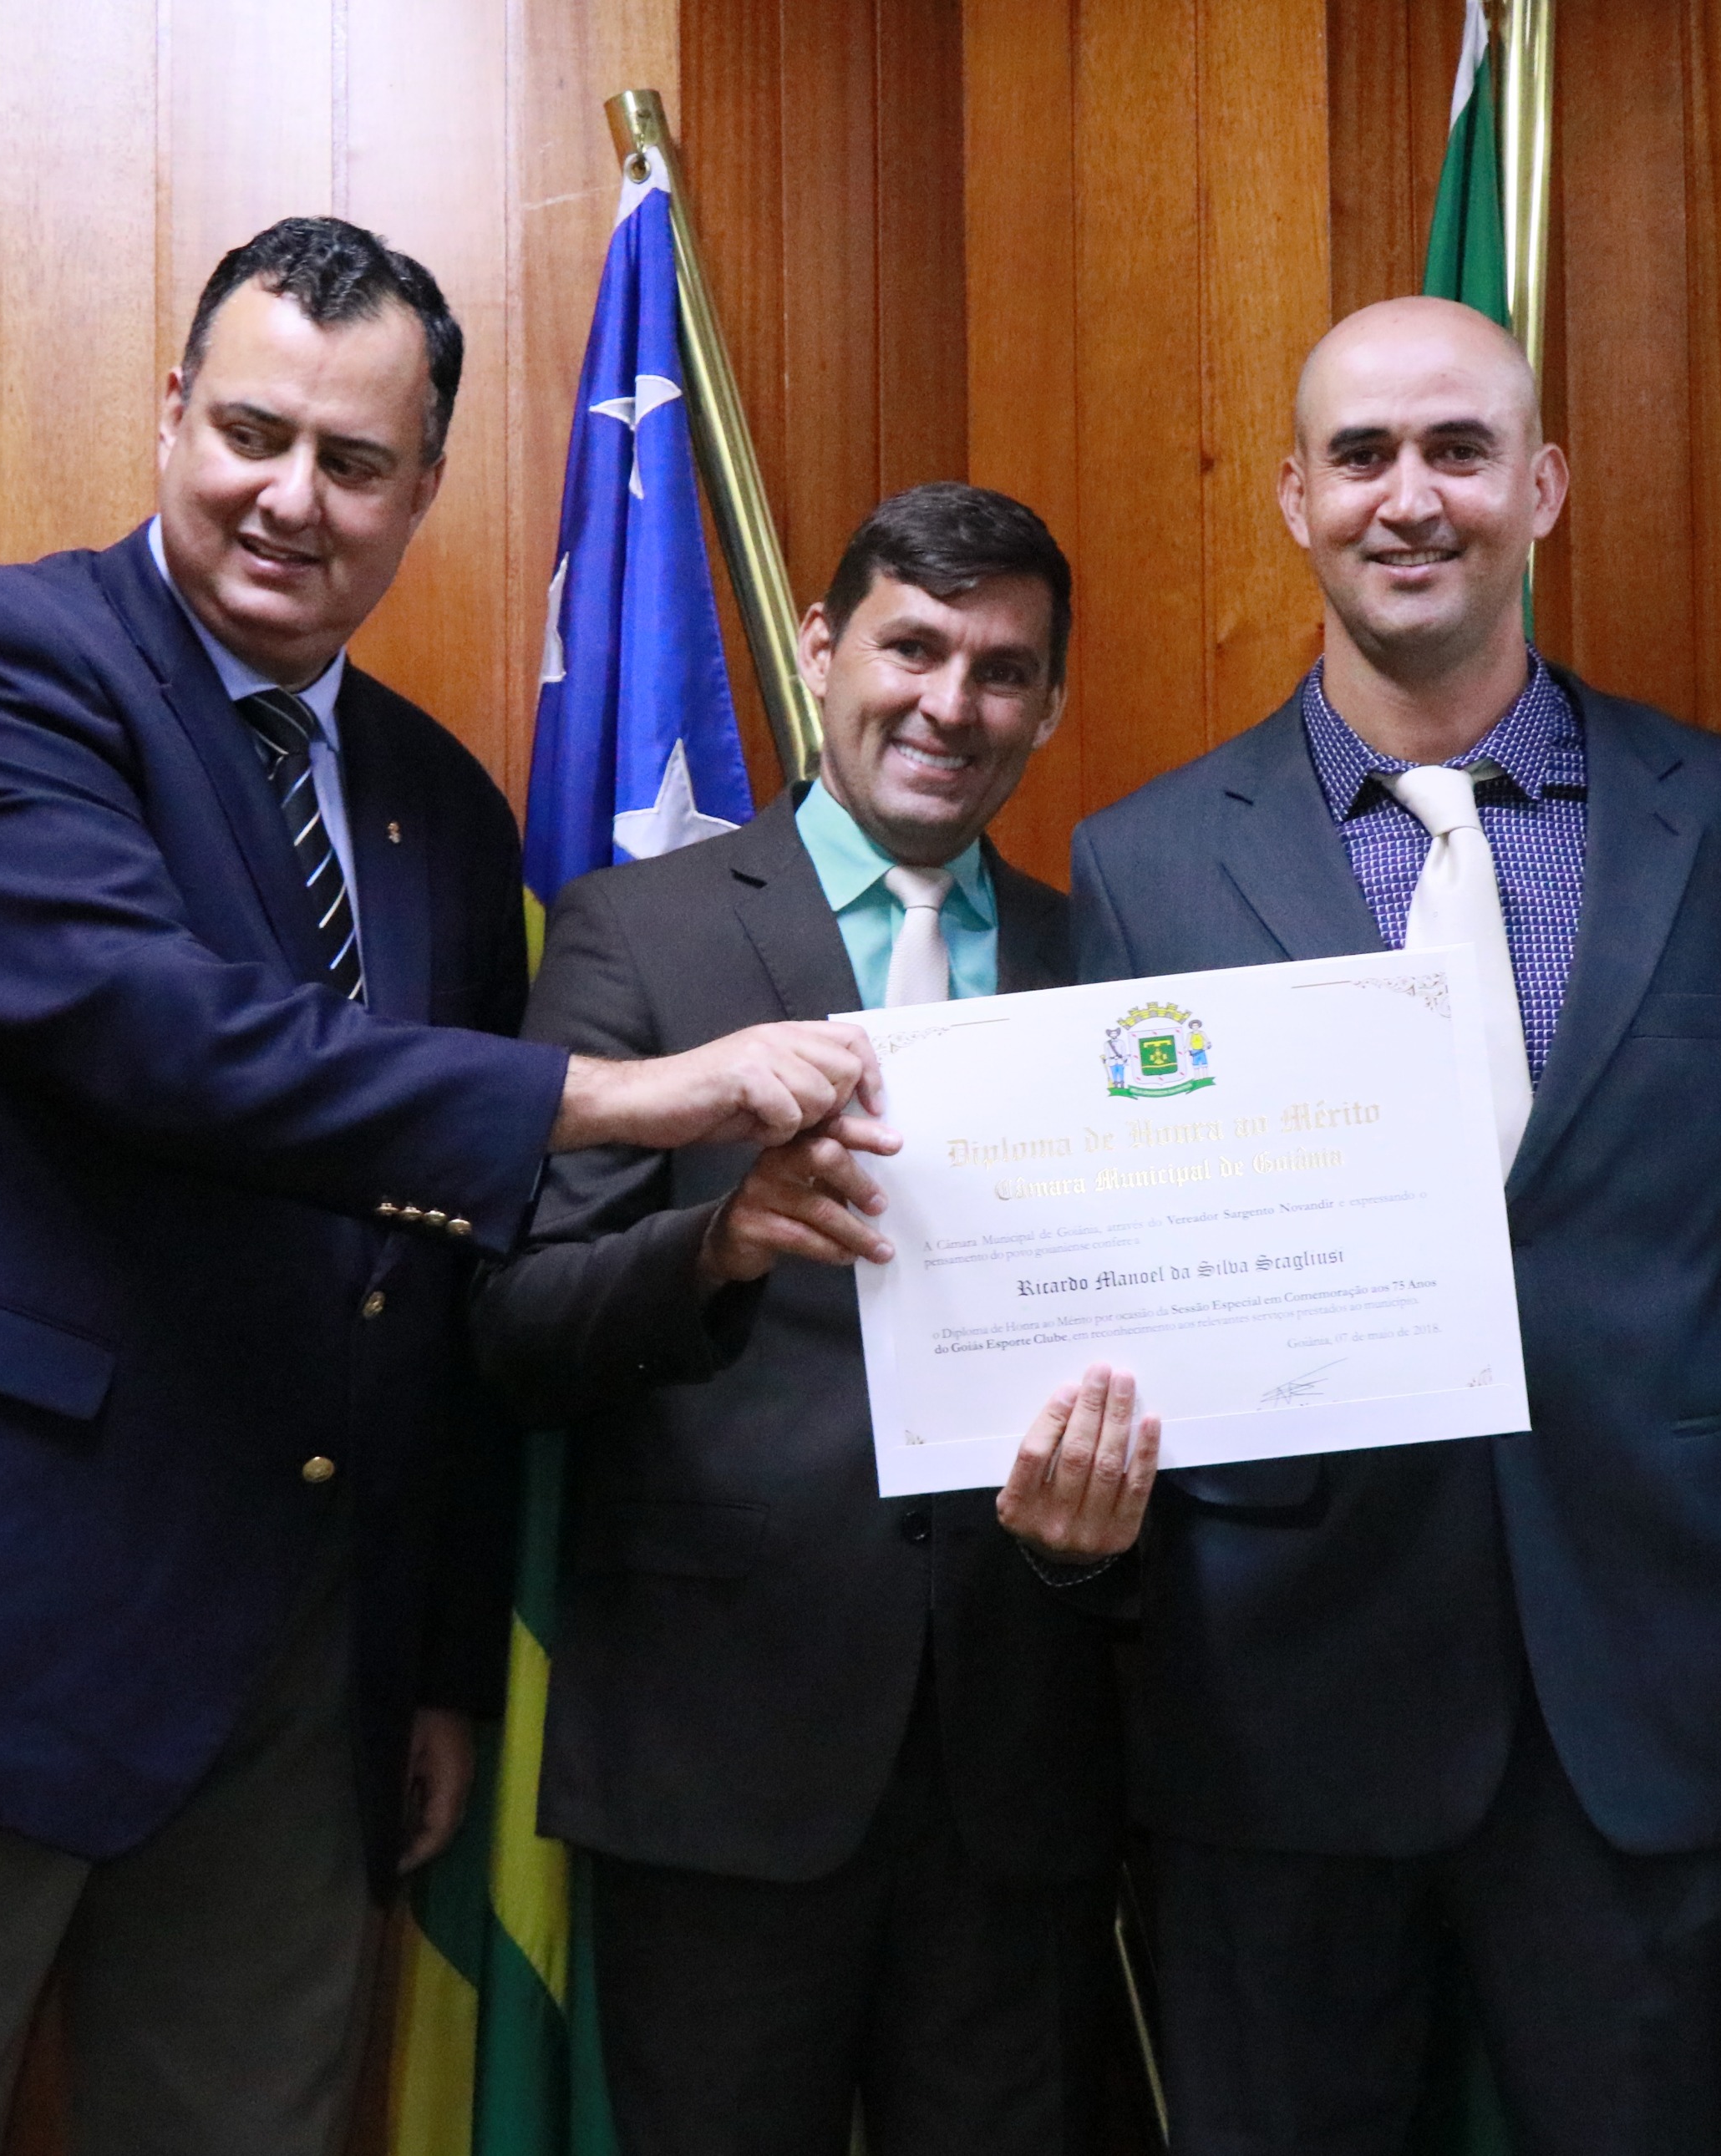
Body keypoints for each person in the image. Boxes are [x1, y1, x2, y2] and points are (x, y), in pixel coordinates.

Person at [0, 216, 885, 2156]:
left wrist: (437, 1660)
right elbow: (166, 1039)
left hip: (296, 1690)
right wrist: (630, 1095)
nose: (291, 498)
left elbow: (441, 1270)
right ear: (171, 413)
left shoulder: (441, 810)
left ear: (423, 489)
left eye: (354, 460)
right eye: (251, 432)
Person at [1058, 296, 1721, 2153]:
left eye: (1459, 449)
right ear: (1293, 498)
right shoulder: (1144, 861)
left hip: (1643, 1693)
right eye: (1361, 455)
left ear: (1544, 486)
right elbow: (1123, 1284)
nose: (1410, 496)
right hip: (1279, 1704)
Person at [471, 483, 1150, 2156]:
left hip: (1024, 1764)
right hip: (719, 1758)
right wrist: (720, 1243)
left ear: (1051, 703)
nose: (950, 703)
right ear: (820, 645)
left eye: (1003, 670)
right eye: (912, 648)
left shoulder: (1108, 962)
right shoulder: (637, 933)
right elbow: (517, 1328)